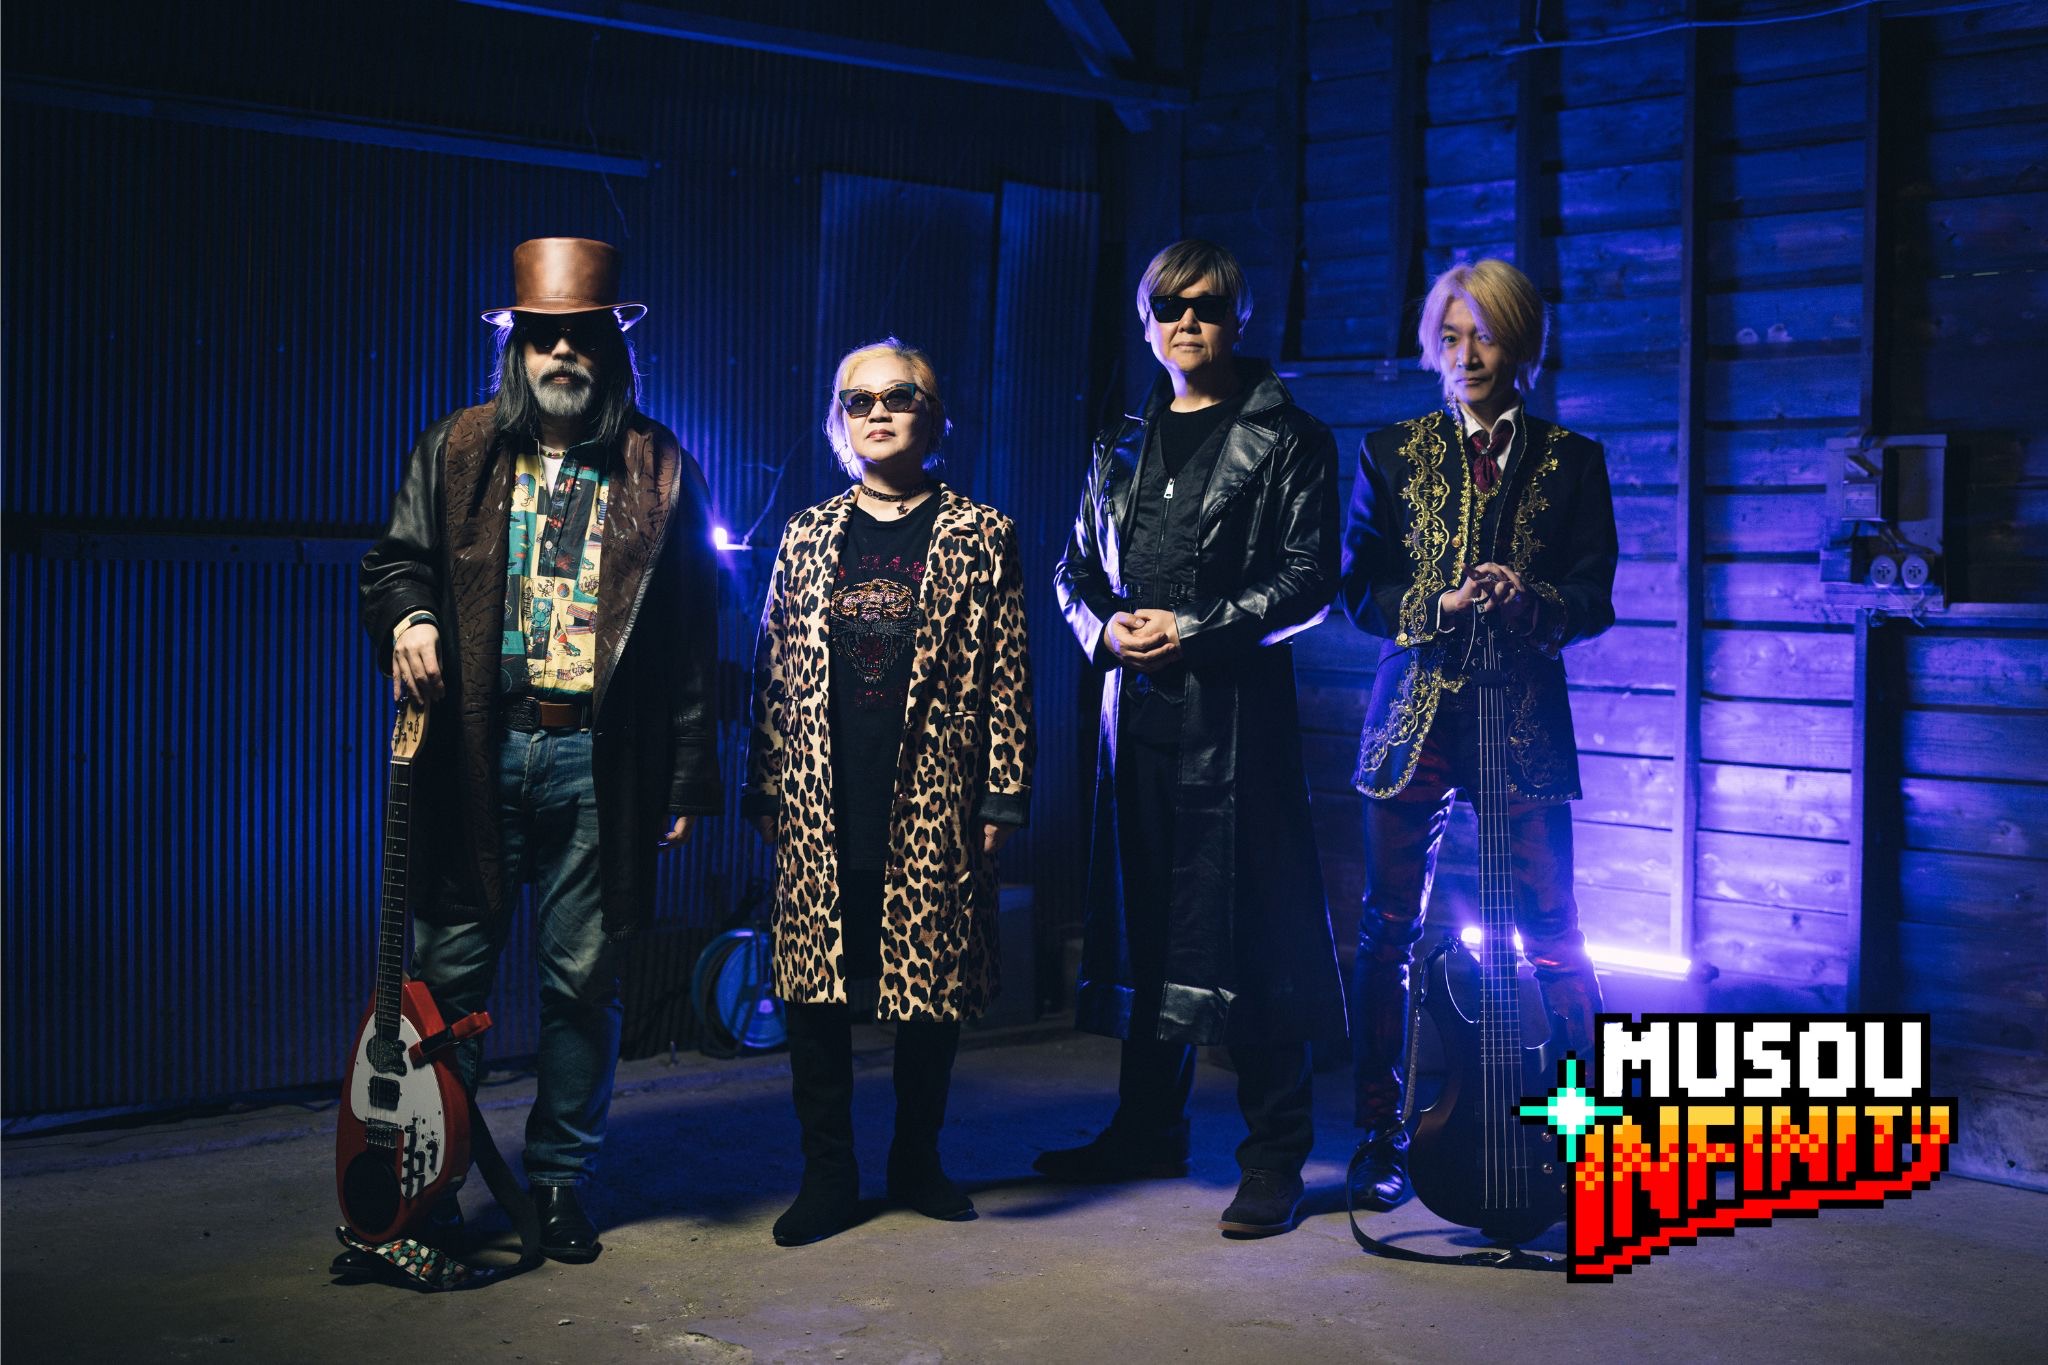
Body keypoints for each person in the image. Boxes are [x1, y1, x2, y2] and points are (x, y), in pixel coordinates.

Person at [359, 236, 723, 1263]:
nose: (563, 354)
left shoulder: (661, 465)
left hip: (598, 765)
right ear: (517, 350)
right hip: (475, 756)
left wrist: (685, 775)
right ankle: (429, 1182)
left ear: (611, 350)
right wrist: (410, 616)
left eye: (582, 337)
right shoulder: (455, 448)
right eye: (544, 338)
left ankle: (561, 1181)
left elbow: (693, 637)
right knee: (447, 984)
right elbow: (393, 564)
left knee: (583, 984)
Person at [1046, 239, 1348, 1238]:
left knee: (1254, 931)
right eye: (1169, 306)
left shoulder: (1291, 438)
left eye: (1207, 306)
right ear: (1146, 323)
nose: (1187, 322)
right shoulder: (1119, 442)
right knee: (1145, 925)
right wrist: (1104, 629)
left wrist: (1195, 627)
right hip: (1134, 717)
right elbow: (1072, 569)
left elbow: (1310, 577)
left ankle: (1275, 1157)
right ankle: (1146, 1129)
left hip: (1234, 724)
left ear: (1236, 319)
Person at [1339, 257, 1617, 1212]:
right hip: (1411, 721)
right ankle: (1379, 1136)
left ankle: (1585, 1145)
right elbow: (1359, 587)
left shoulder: (1573, 458)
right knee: (1387, 929)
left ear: (1521, 344)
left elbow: (1595, 595)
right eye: (1451, 337)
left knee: (1556, 933)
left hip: (1524, 720)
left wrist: (1533, 599)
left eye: (1486, 335)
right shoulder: (1388, 450)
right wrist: (1437, 603)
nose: (1466, 355)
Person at [744, 338, 1035, 1246]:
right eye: (858, 399)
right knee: (814, 993)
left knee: (930, 987)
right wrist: (766, 787)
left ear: (932, 416)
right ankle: (829, 1174)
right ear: (839, 421)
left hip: (934, 799)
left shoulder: (982, 533)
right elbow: (770, 668)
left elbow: (1008, 672)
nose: (877, 411)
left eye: (899, 395)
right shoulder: (805, 534)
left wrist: (1003, 794)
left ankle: (917, 1159)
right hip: (819, 797)